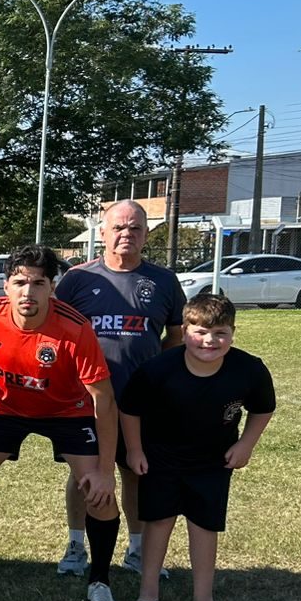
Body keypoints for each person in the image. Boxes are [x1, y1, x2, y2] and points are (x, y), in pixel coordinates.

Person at [0, 245, 123, 601]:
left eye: (38, 283)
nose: (28, 292)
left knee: (99, 496)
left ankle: (99, 581)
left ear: (51, 287)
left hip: (68, 412)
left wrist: (105, 471)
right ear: (5, 286)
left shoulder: (74, 327)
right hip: (6, 408)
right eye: (20, 282)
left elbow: (103, 400)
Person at [121, 294, 274, 601]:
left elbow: (263, 408)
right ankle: (148, 592)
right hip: (161, 458)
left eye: (221, 333)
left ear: (233, 333)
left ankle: (204, 597)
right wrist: (134, 449)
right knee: (159, 521)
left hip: (212, 462)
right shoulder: (158, 369)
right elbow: (130, 409)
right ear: (184, 330)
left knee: (204, 526)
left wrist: (246, 444)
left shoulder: (248, 369)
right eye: (200, 331)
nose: (210, 340)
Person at [54, 199, 186, 578]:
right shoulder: (79, 279)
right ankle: (77, 545)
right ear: (103, 232)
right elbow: (57, 332)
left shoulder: (163, 280)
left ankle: (137, 549)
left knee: (135, 472)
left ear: (146, 234)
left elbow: (174, 336)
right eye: (118, 227)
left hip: (138, 403)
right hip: (87, 401)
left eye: (135, 228)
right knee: (84, 473)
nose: (126, 234)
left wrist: (157, 378)